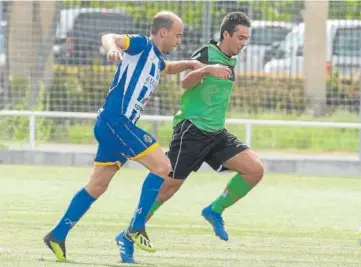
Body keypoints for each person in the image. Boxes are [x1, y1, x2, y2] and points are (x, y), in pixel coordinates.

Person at [43, 11, 220, 263]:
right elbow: (109, 36)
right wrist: (113, 47)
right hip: (117, 122)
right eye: (177, 35)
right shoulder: (142, 44)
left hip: (113, 127)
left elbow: (167, 67)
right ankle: (136, 227)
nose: (180, 40)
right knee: (163, 166)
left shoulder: (156, 58)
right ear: (162, 32)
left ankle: (57, 235)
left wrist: (192, 65)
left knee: (97, 186)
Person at [115, 11, 264, 262]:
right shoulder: (206, 53)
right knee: (168, 188)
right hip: (191, 130)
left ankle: (214, 210)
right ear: (225, 34)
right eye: (240, 37)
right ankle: (128, 233)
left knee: (254, 169)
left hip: (216, 133)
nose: (243, 43)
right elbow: (185, 82)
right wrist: (207, 70)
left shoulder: (231, 59)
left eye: (246, 39)